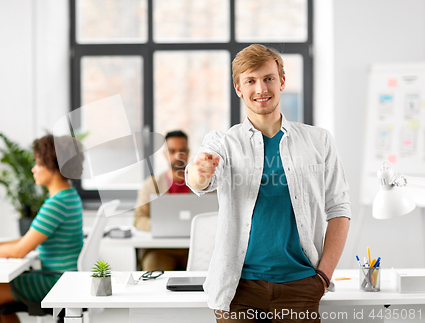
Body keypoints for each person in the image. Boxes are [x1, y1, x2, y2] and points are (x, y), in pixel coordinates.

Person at [186, 44, 351, 323]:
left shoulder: (318, 141)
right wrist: (200, 172)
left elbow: (339, 209)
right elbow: (199, 180)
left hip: (300, 286)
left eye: (268, 78)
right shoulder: (223, 143)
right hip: (237, 288)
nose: (261, 88)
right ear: (239, 88)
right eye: (250, 81)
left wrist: (322, 277)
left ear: (282, 81)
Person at [0, 135, 84, 323]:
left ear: (52, 166)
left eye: (38, 164)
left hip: (56, 281)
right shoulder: (70, 196)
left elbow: (20, 250)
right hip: (64, 277)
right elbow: (27, 240)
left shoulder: (57, 204)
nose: (33, 169)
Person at [134, 130, 191, 271]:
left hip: (194, 248)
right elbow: (139, 218)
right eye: (172, 151)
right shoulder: (151, 185)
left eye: (182, 151)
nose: (178, 156)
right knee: (153, 274)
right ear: (165, 153)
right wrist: (161, 225)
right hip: (160, 249)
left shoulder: (205, 185)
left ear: (188, 152)